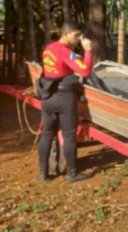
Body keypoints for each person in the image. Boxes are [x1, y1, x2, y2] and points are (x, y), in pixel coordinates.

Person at [38, 21, 93, 183]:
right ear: (65, 34)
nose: (78, 39)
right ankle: (72, 173)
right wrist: (88, 51)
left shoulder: (49, 49)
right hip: (64, 98)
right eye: (75, 35)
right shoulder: (66, 52)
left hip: (47, 98)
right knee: (69, 136)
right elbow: (85, 71)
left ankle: (43, 173)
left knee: (46, 135)